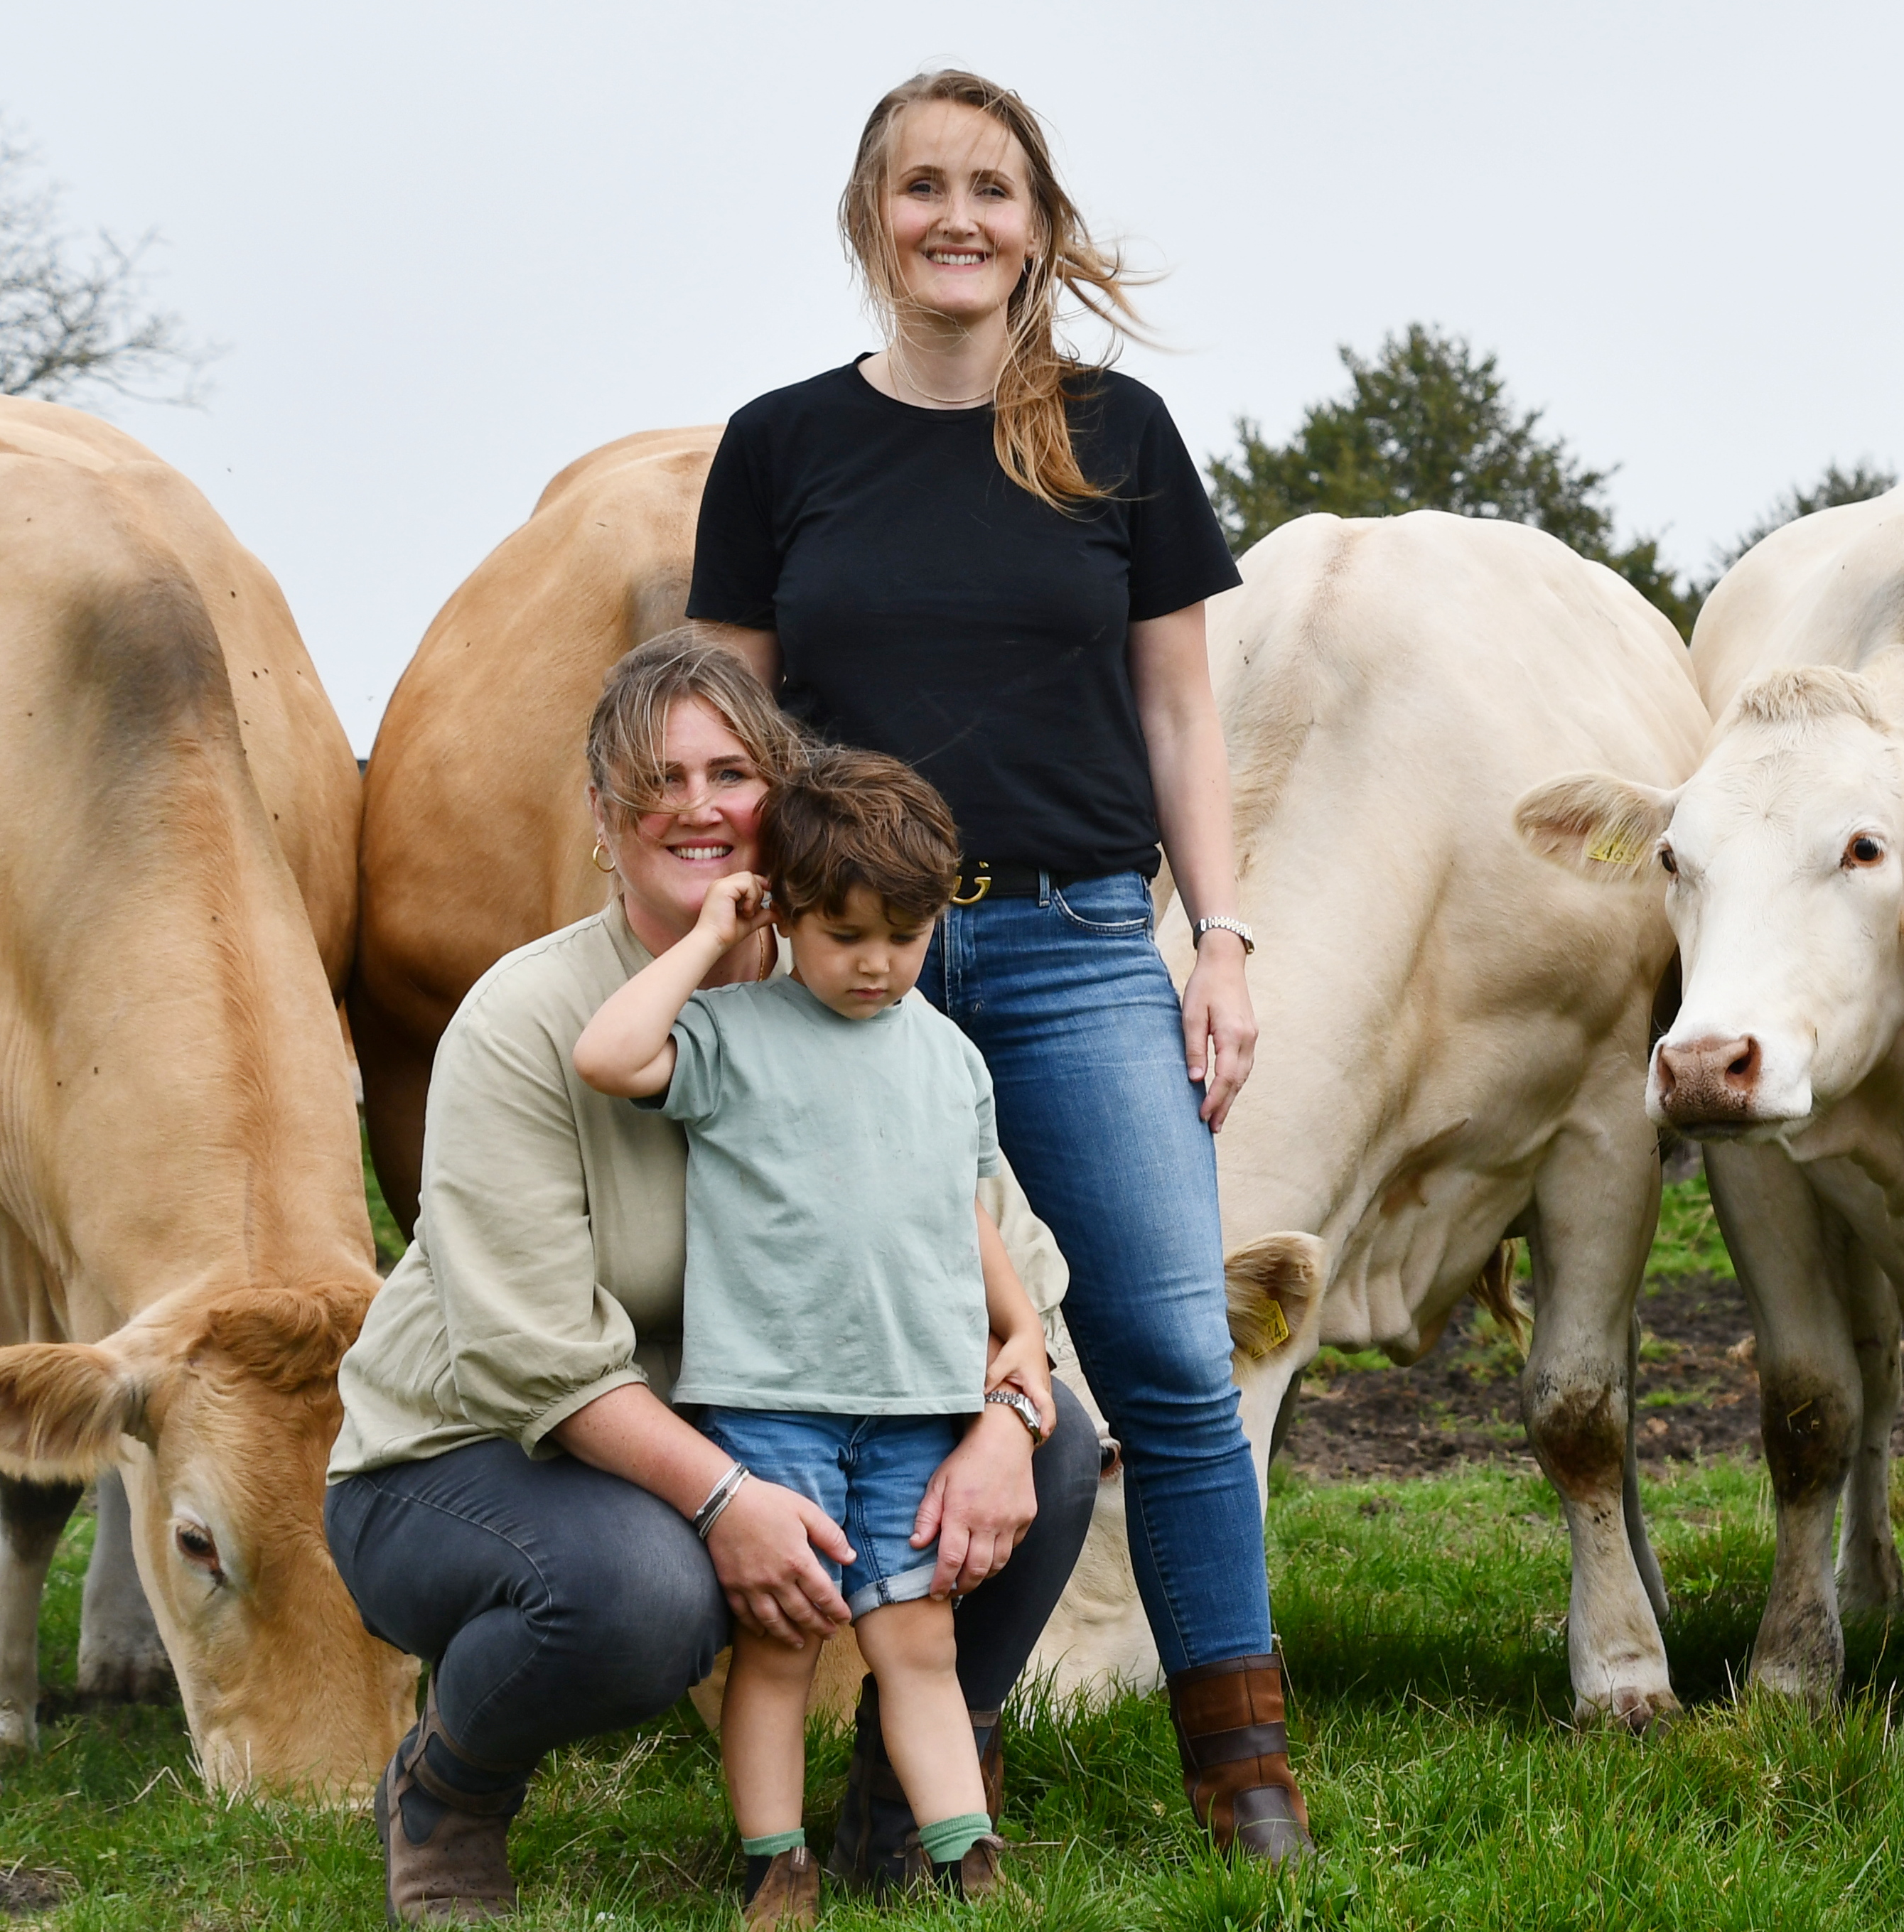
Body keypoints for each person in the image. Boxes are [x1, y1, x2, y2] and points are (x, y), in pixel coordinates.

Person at [687, 69, 1309, 1862]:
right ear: (869, 218)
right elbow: (732, 728)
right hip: (841, 971)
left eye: (990, 187)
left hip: (1073, 943)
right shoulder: (783, 446)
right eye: (919, 187)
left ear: (1037, 222)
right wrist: (733, 942)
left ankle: (1239, 1756)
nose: (955, 217)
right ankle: (897, 1743)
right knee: (859, 1362)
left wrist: (1220, 941)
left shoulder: (1117, 437)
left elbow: (1179, 715)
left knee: (1169, 1356)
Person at [323, 635, 1100, 1924]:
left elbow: (1001, 1251)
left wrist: (1013, 1411)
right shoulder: (529, 1020)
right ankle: (448, 1792)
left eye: (729, 772)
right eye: (654, 779)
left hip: (756, 1417)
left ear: (779, 803)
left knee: (1057, 1451)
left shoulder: (866, 1007)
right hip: (473, 1453)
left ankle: (899, 1815)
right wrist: (726, 1495)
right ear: (600, 817)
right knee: (646, 1593)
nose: (693, 805)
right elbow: (533, 1358)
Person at [574, 748, 1048, 1921]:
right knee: (781, 1650)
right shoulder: (733, 1036)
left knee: (915, 1644)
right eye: (844, 935)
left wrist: (1021, 1325)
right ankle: (774, 1865)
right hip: (772, 1404)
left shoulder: (948, 1056)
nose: (878, 964)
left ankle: (965, 1861)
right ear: (781, 913)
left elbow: (964, 1206)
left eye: (905, 933)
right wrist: (707, 935)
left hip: (913, 1409)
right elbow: (609, 1055)